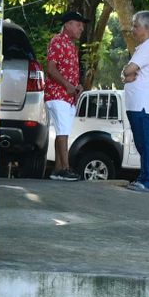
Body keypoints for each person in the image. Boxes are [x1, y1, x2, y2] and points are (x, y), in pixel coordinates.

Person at [43, 9, 85, 180]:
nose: (81, 28)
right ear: (67, 25)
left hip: (67, 96)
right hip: (57, 94)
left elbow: (68, 72)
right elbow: (51, 69)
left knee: (63, 130)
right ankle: (65, 168)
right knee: (62, 132)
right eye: (78, 24)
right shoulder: (57, 41)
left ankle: (58, 170)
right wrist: (67, 85)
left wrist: (77, 85)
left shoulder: (71, 45)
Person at [121, 10, 149, 192]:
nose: (133, 30)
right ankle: (143, 177)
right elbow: (127, 73)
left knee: (145, 142)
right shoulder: (143, 48)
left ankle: (148, 180)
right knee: (141, 143)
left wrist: (126, 73)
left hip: (142, 105)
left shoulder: (148, 47)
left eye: (136, 26)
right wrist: (125, 74)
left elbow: (129, 70)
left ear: (146, 28)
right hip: (136, 104)